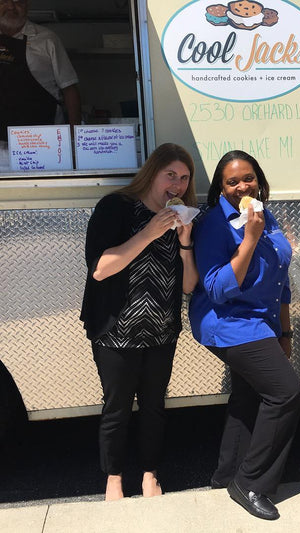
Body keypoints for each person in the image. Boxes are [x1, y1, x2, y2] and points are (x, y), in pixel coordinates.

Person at [80, 143, 198, 501]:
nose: (177, 185)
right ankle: (113, 477)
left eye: (184, 178)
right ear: (152, 173)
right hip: (115, 332)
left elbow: (189, 285)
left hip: (161, 331)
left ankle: (149, 473)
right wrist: (149, 232)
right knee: (116, 407)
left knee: (153, 407)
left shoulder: (182, 220)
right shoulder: (116, 208)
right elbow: (100, 269)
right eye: (170, 175)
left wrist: (185, 243)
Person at [189, 150, 300, 521]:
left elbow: (281, 277)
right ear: (220, 188)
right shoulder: (214, 225)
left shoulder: (264, 213)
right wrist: (249, 240)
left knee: (248, 395)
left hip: (261, 322)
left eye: (248, 178)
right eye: (232, 181)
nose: (242, 186)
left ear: (259, 180)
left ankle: (228, 474)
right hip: (228, 322)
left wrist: (283, 330)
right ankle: (251, 482)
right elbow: (217, 289)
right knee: (286, 392)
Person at [0, 0, 81, 141]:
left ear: (28, 5)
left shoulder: (47, 39)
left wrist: (75, 137)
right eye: (4, 2)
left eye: (18, 2)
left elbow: (69, 89)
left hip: (45, 139)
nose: (11, 7)